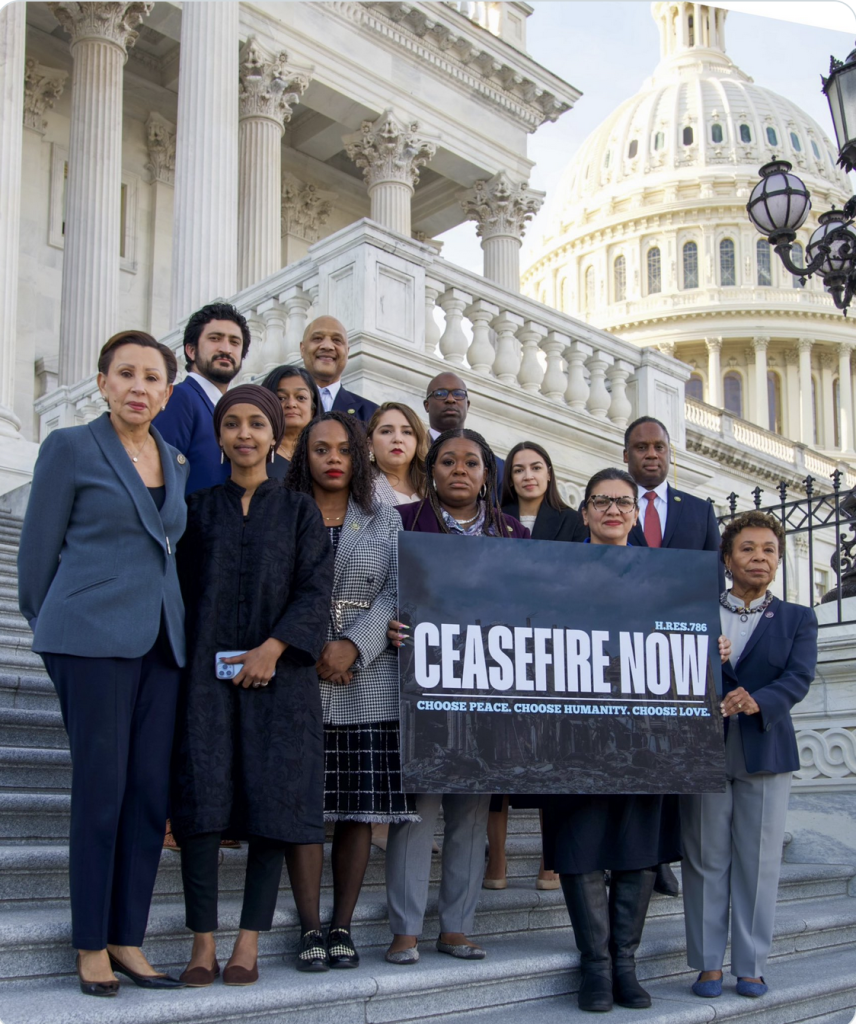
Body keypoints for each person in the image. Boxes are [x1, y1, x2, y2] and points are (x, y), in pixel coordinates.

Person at [18, 331, 189, 996]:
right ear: (102, 383)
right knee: (101, 793)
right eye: (126, 374)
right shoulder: (70, 447)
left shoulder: (173, 458)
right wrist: (56, 626)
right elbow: (36, 557)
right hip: (89, 639)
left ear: (168, 392)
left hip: (159, 644)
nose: (138, 387)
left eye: (151, 377)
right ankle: (90, 941)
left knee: (148, 796)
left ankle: (128, 937)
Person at [542, 467, 730, 1014]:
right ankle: (594, 967)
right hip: (572, 735)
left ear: (635, 511)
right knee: (578, 845)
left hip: (646, 737)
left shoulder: (668, 577)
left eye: (622, 502)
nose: (613, 510)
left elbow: (683, 640)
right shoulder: (550, 572)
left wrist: (706, 645)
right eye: (601, 501)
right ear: (585, 513)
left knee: (637, 849)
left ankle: (625, 964)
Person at [170, 385, 335, 986]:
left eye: (256, 425)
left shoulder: (298, 512)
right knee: (202, 805)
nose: (244, 434)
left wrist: (273, 648)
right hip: (205, 685)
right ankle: (202, 941)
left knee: (271, 806)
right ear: (218, 436)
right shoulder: (198, 510)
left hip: (281, 681)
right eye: (232, 424)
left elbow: (315, 590)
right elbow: (181, 595)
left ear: (273, 436)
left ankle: (247, 944)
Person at [384, 429, 528, 967]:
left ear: (487, 474)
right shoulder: (403, 523)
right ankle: (405, 929)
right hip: (422, 684)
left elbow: (528, 601)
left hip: (490, 685)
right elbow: (383, 590)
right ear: (432, 469)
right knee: (418, 809)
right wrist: (390, 628)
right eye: (448, 461)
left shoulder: (511, 532)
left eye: (472, 462)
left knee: (470, 811)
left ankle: (457, 927)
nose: (460, 470)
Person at [287, 411, 419, 968]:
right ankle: (310, 928)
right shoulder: (285, 510)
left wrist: (354, 646)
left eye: (344, 448)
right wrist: (317, 645)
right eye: (321, 449)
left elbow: (398, 589)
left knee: (360, 809)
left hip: (369, 675)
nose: (334, 458)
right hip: (300, 672)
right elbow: (278, 583)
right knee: (303, 807)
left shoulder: (384, 517)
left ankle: (342, 926)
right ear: (305, 457)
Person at [681, 511, 817, 1000]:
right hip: (703, 748)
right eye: (748, 549)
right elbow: (670, 669)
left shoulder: (798, 618)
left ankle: (752, 965)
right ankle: (707, 965)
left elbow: (799, 677)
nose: (760, 558)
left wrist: (760, 698)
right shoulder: (696, 611)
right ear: (726, 558)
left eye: (769, 551)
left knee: (759, 863)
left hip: (766, 746)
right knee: (704, 858)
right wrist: (703, 659)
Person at [623, 415, 722, 897]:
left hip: (680, 655)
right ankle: (636, 853)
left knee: (670, 761)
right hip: (624, 653)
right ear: (626, 455)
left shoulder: (699, 512)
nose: (651, 454)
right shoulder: (613, 505)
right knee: (636, 758)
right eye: (641, 447)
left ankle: (663, 858)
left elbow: (711, 586)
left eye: (659, 446)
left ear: (669, 453)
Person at [485, 440, 588, 892]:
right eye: (520, 468)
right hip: (502, 645)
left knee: (550, 756)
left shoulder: (568, 521)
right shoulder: (494, 519)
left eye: (537, 467)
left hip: (551, 647)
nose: (528, 475)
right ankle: (498, 861)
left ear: (549, 474)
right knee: (497, 759)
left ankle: (551, 860)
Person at [153, 302, 250, 496]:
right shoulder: (180, 398)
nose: (226, 349)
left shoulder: (227, 408)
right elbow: (159, 479)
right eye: (215, 338)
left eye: (234, 342)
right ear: (191, 350)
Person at [422, 372, 505, 489]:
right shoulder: (411, 452)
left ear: (468, 405)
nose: (450, 399)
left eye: (458, 394)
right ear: (427, 405)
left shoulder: (497, 466)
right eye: (440, 394)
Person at [300, 316, 378, 420]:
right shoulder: (280, 405)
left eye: (337, 340)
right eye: (318, 338)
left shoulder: (372, 414)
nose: (327, 346)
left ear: (347, 352)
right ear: (302, 349)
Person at [259, 364, 322, 478]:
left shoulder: (325, 454)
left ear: (313, 409)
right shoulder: (255, 454)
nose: (291, 404)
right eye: (281, 398)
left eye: (300, 398)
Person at [367, 401, 428, 506]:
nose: (398, 439)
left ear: (418, 441)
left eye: (407, 432)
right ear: (370, 444)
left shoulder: (434, 487)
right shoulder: (361, 489)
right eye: (386, 431)